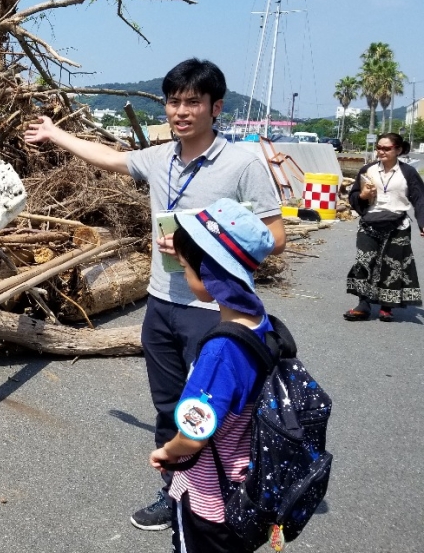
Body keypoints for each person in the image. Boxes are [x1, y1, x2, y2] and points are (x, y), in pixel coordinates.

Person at [24, 58, 285, 531]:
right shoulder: (159, 157)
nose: (180, 111)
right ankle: (176, 496)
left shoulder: (242, 163)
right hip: (161, 301)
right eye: (173, 101)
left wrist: (205, 248)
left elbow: (274, 236)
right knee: (169, 405)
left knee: (216, 408)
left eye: (192, 102)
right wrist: (53, 133)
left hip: (213, 308)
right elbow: (106, 155)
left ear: (215, 107)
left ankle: (230, 496)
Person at [148, 198, 277, 553]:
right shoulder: (262, 324)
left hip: (210, 500)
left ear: (210, 276)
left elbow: (193, 435)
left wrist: (167, 453)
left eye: (187, 268)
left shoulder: (219, 352)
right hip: (243, 478)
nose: (185, 275)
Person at [343, 132, 424, 322]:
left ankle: (387, 306)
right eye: (378, 147)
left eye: (386, 148)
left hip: (397, 225)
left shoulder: (408, 172)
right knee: (364, 261)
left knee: (392, 266)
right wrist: (362, 196)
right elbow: (354, 197)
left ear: (398, 150)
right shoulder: (367, 170)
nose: (381, 151)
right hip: (370, 224)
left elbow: (420, 199)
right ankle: (363, 304)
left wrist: (423, 223)